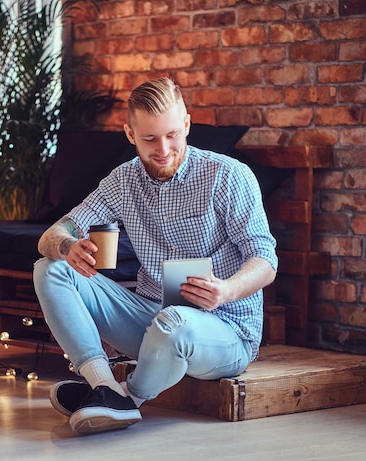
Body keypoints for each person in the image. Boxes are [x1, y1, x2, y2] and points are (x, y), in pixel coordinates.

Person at [32, 77, 278, 435]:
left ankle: (127, 398)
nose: (163, 149)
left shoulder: (228, 176)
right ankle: (103, 385)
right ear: (130, 134)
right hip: (152, 319)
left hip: (226, 330)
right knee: (50, 268)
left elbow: (265, 260)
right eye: (149, 139)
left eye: (173, 135)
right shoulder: (122, 181)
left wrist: (226, 290)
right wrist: (69, 247)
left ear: (187, 125)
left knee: (174, 322)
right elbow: (53, 234)